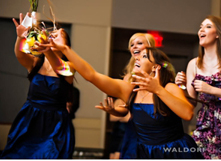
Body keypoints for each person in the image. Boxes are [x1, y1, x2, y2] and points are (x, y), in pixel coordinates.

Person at [45, 34, 203, 158]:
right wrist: (65, 49)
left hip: (174, 153)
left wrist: (157, 90)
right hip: (145, 153)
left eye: (144, 56)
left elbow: (188, 114)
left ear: (155, 66)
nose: (138, 57)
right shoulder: (130, 89)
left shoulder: (169, 87)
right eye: (137, 55)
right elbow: (91, 75)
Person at [174, 15, 221, 159]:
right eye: (200, 27)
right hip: (205, 126)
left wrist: (211, 90)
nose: (201, 30)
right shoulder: (194, 64)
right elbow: (190, 102)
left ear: (218, 34)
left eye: (208, 26)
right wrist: (182, 86)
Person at [1, 13, 74, 158]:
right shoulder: (36, 63)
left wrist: (46, 50)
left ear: (65, 45)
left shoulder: (70, 66)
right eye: (52, 33)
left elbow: (60, 68)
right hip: (30, 118)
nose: (53, 34)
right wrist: (21, 37)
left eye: (58, 35)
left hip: (55, 123)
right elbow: (20, 54)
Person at [98, 33, 155, 159]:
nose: (134, 47)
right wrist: (113, 110)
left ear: (150, 47)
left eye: (139, 43)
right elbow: (126, 108)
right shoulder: (129, 77)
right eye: (132, 44)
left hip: (153, 129)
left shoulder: (159, 71)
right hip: (133, 129)